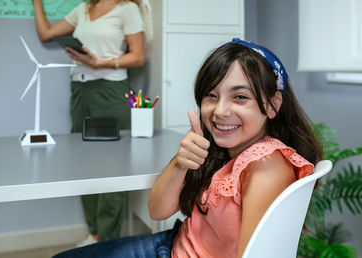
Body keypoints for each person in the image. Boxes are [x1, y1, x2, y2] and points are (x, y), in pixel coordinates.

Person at [52, 38, 323, 258]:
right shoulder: (216, 147)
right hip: (174, 244)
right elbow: (157, 210)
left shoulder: (266, 166)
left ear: (274, 105)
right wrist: (181, 162)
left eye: (240, 97)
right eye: (211, 95)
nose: (220, 111)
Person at [32, 0, 145, 245]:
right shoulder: (83, 9)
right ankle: (94, 234)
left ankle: (107, 240)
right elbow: (46, 34)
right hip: (79, 90)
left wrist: (100, 63)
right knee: (84, 165)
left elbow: (138, 56)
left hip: (110, 90)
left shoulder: (128, 9)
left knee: (113, 168)